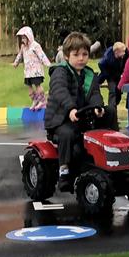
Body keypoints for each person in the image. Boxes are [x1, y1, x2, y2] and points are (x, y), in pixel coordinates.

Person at [44, 31, 106, 190]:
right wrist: (70, 109)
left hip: (82, 118)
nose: (81, 58)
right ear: (66, 56)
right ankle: (64, 171)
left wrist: (98, 107)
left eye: (85, 54)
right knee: (68, 134)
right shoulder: (60, 72)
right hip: (60, 120)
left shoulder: (89, 75)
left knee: (109, 114)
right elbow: (60, 91)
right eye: (76, 54)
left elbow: (94, 94)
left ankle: (109, 158)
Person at [12, 26, 51, 111]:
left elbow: (41, 55)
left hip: (36, 71)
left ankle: (42, 100)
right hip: (28, 72)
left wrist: (47, 63)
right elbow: (20, 55)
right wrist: (16, 63)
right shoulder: (23, 47)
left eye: (24, 38)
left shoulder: (35, 46)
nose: (23, 40)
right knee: (29, 88)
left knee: (37, 86)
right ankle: (34, 100)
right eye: (22, 38)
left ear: (29, 37)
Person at [99, 41, 127, 122]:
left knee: (118, 93)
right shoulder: (107, 58)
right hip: (110, 74)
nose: (124, 53)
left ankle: (114, 105)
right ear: (116, 52)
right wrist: (106, 75)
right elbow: (101, 65)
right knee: (113, 92)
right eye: (123, 52)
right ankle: (112, 114)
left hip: (119, 74)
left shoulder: (126, 53)